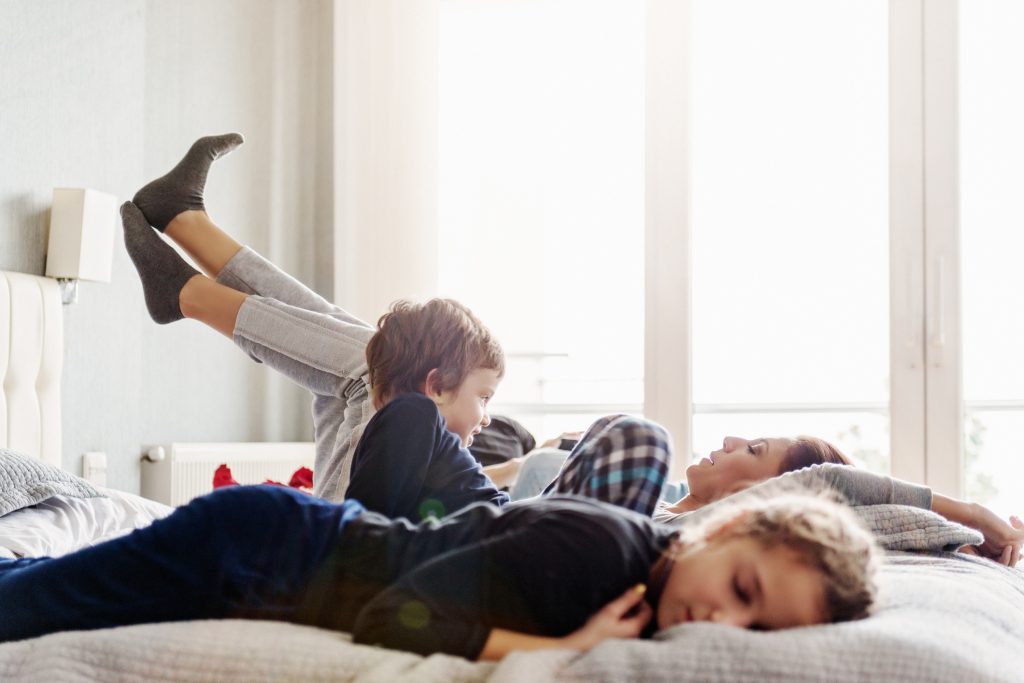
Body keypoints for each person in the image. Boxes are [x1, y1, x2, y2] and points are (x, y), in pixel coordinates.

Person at [121, 133, 671, 521]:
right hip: (348, 509)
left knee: (372, 363)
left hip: (347, 524)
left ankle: (187, 275)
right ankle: (186, 237)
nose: (487, 415)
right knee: (367, 357)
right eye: (484, 396)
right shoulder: (432, 437)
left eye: (487, 397)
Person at [0, 483, 878, 659]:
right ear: (714, 532)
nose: (726, 622)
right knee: (27, 609)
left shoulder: (650, 595)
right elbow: (394, 615)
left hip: (270, 555)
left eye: (759, 632)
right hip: (257, 546)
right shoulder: (598, 552)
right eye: (744, 590)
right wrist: (561, 646)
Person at [657, 435, 1024, 567]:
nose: (729, 439)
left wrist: (972, 518)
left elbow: (837, 484)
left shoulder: (675, 530)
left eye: (753, 450)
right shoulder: (657, 495)